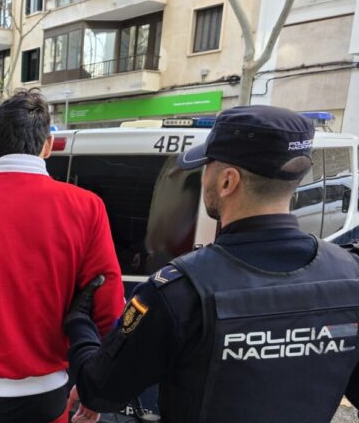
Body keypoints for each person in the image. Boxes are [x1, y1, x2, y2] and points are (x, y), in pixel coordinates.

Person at [65, 105, 359, 423]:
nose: (203, 175)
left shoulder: (179, 290)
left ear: (227, 181)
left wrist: (79, 320)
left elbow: (100, 389)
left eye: (206, 166)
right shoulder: (349, 275)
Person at [0, 88, 124, 423]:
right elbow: (109, 302)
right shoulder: (87, 206)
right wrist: (95, 377)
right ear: (47, 147)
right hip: (48, 390)